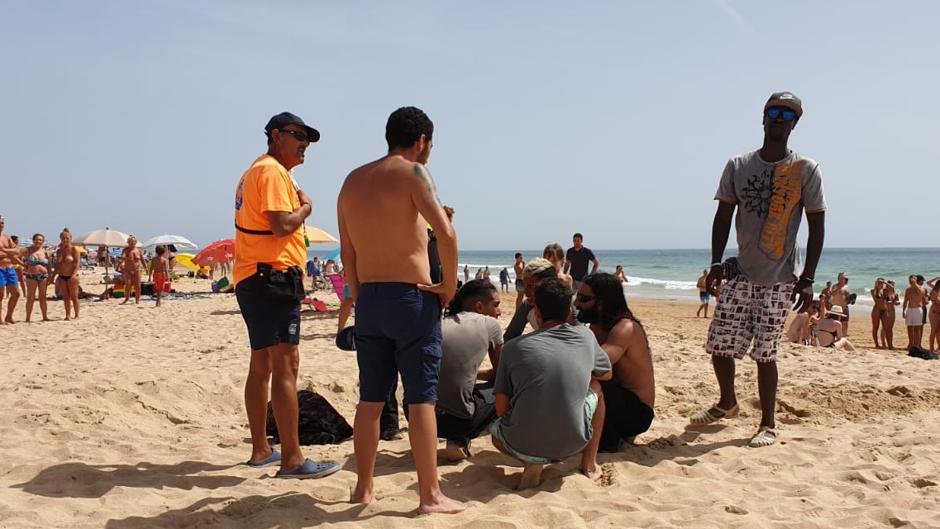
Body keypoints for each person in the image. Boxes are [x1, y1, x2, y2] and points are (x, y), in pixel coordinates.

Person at [337, 106, 464, 514]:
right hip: (411, 298)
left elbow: (348, 251)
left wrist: (358, 295)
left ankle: (363, 489)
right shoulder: (413, 173)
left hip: (370, 298)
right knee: (420, 400)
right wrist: (448, 285)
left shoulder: (352, 181)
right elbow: (445, 233)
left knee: (371, 399)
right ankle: (430, 495)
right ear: (422, 140)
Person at [691, 92, 826, 448]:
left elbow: (816, 226)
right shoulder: (738, 165)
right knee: (720, 345)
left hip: (780, 279)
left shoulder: (805, 169)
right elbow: (722, 217)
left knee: (766, 353)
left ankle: (767, 423)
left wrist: (808, 278)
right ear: (763, 118)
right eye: (774, 112)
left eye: (787, 114)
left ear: (794, 124)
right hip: (739, 272)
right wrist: (716, 262)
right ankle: (727, 403)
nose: (779, 119)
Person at [233, 111, 340, 479]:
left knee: (261, 364)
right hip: (272, 277)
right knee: (285, 366)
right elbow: (281, 226)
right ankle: (292, 459)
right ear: (276, 135)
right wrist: (307, 208)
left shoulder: (255, 172)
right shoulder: (273, 172)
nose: (304, 143)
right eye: (298, 135)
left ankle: (262, 448)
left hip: (253, 275)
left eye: (307, 138)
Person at [491, 278, 611, 490]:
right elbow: (606, 373)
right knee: (598, 389)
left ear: (536, 311)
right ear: (569, 312)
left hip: (521, 442)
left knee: (496, 433)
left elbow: (501, 410)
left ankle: (533, 458)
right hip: (573, 443)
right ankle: (589, 463)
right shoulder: (585, 335)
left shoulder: (512, 348)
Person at [576, 273, 655, 452]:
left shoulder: (625, 328)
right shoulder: (596, 327)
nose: (576, 303)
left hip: (637, 414)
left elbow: (598, 366)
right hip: (616, 402)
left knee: (593, 379)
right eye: (577, 296)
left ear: (602, 303)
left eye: (583, 298)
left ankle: (609, 441)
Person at [435, 279, 503, 461]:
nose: (499, 311)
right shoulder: (491, 325)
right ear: (480, 306)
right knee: (503, 391)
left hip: (417, 416)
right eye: (495, 305)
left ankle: (456, 440)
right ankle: (460, 441)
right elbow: (500, 375)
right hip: (457, 422)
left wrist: (470, 374)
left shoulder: (441, 323)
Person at [503, 258, 558, 342]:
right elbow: (509, 337)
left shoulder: (567, 306)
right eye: (523, 285)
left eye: (530, 286)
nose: (526, 292)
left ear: (549, 285)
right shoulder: (527, 306)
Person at [51, 229, 81, 320]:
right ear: (60, 239)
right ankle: (67, 315)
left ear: (70, 238)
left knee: (74, 297)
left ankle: (76, 315)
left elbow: (77, 264)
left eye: (67, 238)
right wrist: (53, 276)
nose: (65, 240)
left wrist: (73, 275)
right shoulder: (59, 251)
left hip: (72, 276)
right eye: (63, 238)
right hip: (61, 276)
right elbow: (57, 265)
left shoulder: (74, 249)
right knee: (65, 297)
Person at [22, 233, 52, 322]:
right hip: (31, 276)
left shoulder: (46, 252)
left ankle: (45, 317)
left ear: (43, 241)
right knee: (30, 297)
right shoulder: (28, 250)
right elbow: (16, 256)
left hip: (43, 276)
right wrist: (23, 266)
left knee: (42, 297)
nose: (38, 241)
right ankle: (28, 318)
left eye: (40, 240)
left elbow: (49, 265)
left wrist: (50, 276)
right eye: (37, 239)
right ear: (33, 240)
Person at [0, 216, 23, 324]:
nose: (1, 225)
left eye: (2, 223)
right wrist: (9, 252)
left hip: (10, 268)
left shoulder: (6, 237)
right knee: (0, 295)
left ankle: (9, 316)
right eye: (0, 222)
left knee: (16, 293)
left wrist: (4, 250)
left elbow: (17, 251)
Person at [903, 274, 927, 351]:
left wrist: (915, 284)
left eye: (913, 279)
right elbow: (905, 301)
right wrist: (904, 310)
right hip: (910, 309)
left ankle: (916, 344)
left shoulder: (922, 288)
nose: (911, 281)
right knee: (909, 327)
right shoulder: (908, 290)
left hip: (918, 309)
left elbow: (920, 293)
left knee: (917, 328)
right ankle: (911, 343)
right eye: (910, 279)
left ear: (916, 280)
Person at [121, 236, 144, 305]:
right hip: (128, 270)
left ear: (136, 242)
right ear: (128, 242)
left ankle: (137, 300)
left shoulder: (139, 250)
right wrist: (123, 261)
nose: (132, 243)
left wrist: (146, 268)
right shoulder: (126, 250)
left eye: (133, 242)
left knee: (138, 285)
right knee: (128, 284)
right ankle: (127, 298)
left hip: (137, 270)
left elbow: (142, 260)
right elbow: (123, 257)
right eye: (130, 242)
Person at [882, 280, 900, 349]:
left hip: (892, 311)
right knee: (884, 328)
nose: (892, 286)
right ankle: (884, 343)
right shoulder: (884, 292)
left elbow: (897, 302)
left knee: (890, 328)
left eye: (893, 285)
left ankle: (890, 343)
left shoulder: (895, 293)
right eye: (891, 284)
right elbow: (881, 300)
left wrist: (896, 302)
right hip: (885, 311)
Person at [870, 277, 887, 348]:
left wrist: (886, 284)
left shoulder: (885, 290)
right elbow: (876, 300)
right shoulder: (873, 290)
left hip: (884, 309)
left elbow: (892, 289)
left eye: (882, 282)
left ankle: (883, 343)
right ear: (876, 283)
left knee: (885, 327)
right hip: (876, 310)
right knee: (875, 327)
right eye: (879, 282)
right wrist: (877, 286)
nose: (881, 284)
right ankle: (876, 344)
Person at [927, 277, 940, 352]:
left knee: (939, 331)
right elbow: (928, 282)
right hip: (934, 312)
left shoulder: (938, 291)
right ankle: (931, 348)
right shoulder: (934, 291)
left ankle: (939, 347)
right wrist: (937, 278)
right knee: (934, 330)